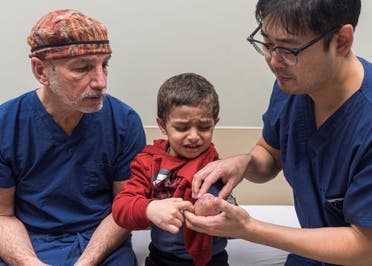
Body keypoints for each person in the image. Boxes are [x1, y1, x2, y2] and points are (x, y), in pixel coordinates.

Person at [184, 0, 372, 265]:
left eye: (287, 49)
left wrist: (249, 229)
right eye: (267, 44)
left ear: (341, 41)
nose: (274, 61)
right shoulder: (293, 86)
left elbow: (366, 247)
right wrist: (244, 163)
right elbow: (270, 155)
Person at [0, 9, 146, 265]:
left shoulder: (123, 123)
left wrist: (86, 262)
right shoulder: (6, 124)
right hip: (29, 244)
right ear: (41, 71)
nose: (101, 82)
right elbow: (3, 215)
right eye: (82, 68)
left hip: (102, 248)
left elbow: (123, 209)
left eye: (105, 65)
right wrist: (29, 262)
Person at [112, 73, 236, 266]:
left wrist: (222, 212)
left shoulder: (218, 167)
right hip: (162, 260)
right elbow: (121, 209)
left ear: (215, 123)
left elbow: (234, 220)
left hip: (213, 261)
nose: (194, 136)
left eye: (204, 127)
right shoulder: (149, 163)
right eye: (181, 128)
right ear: (162, 126)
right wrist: (149, 208)